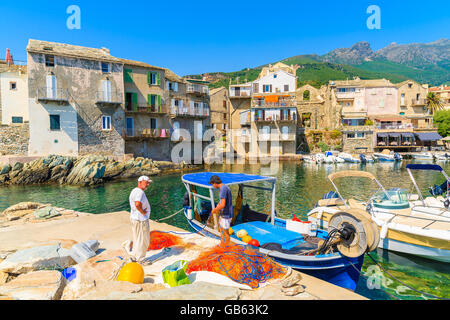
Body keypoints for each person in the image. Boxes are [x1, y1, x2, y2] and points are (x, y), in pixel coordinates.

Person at [128, 175, 152, 264]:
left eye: (148, 183)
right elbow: (137, 204)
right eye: (146, 182)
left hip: (135, 218)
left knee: (137, 239)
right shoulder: (140, 192)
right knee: (143, 240)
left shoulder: (134, 190)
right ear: (140, 182)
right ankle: (141, 260)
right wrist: (142, 212)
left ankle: (134, 256)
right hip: (141, 220)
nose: (148, 185)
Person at [209, 175, 233, 247]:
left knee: (225, 233)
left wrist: (215, 210)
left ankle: (225, 247)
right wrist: (218, 206)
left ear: (215, 183)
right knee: (222, 230)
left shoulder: (222, 189)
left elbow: (222, 205)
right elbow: (222, 202)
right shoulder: (225, 187)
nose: (213, 186)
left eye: (212, 184)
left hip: (226, 214)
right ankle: (223, 244)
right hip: (227, 213)